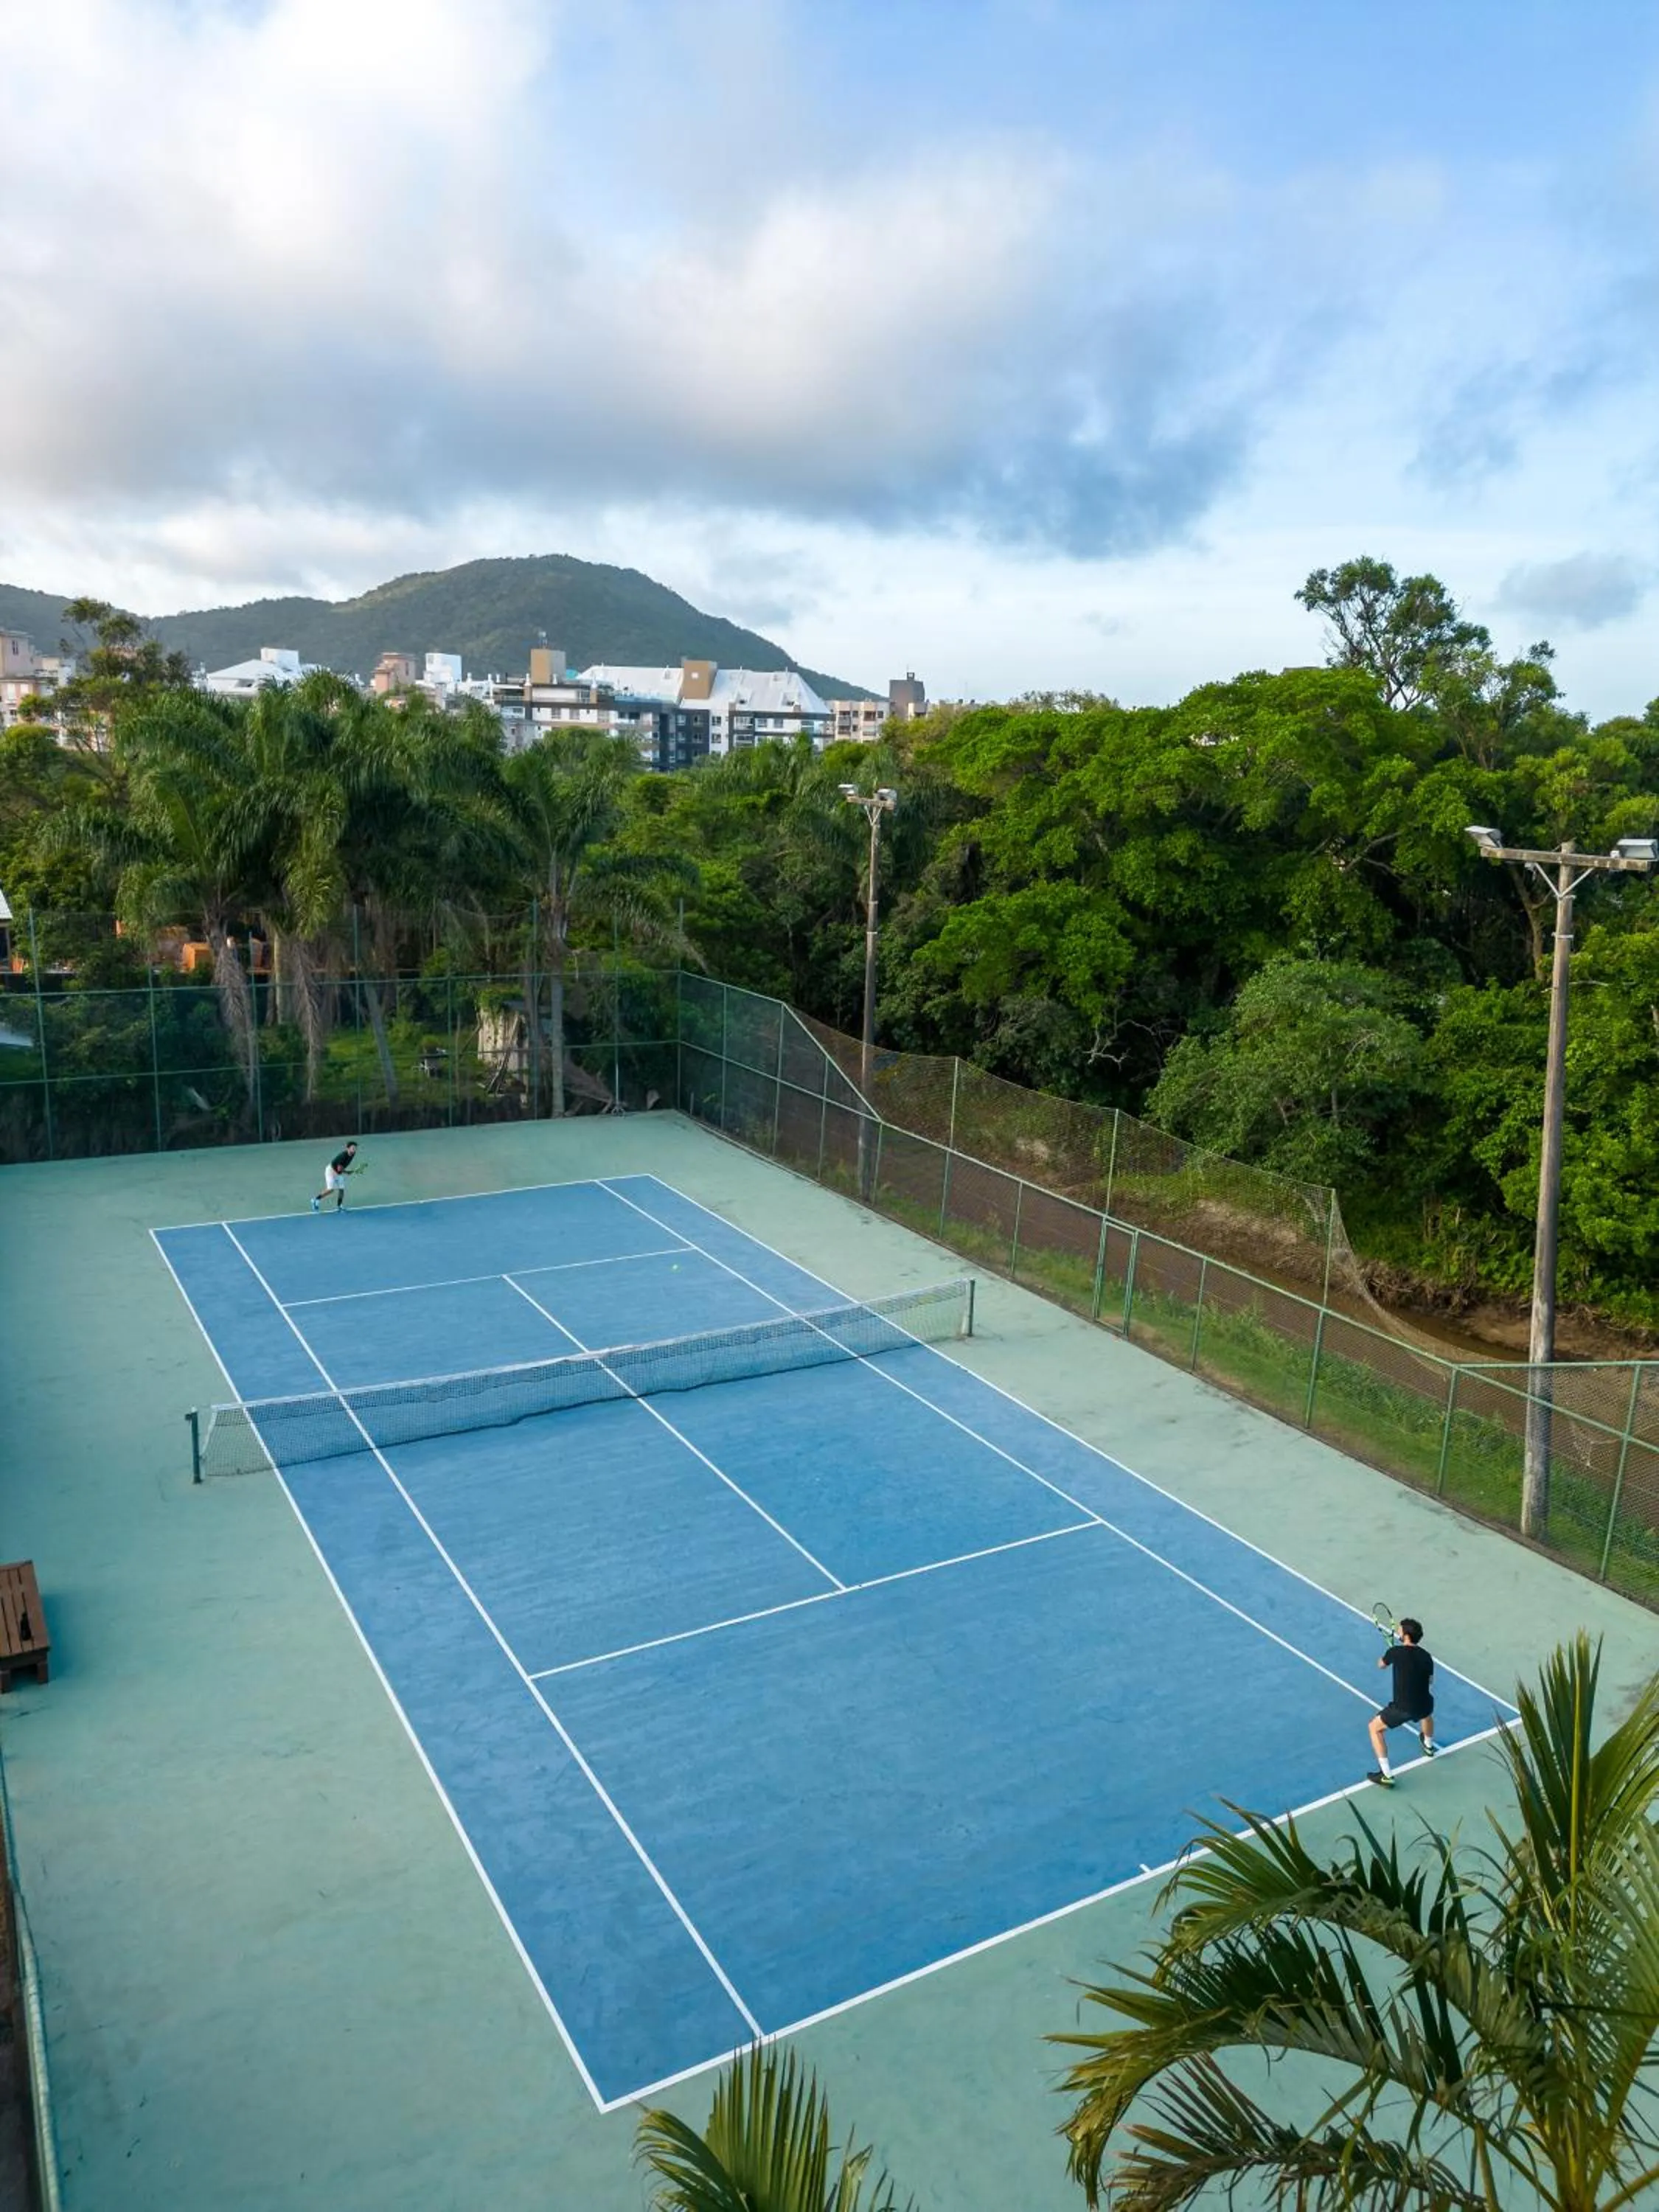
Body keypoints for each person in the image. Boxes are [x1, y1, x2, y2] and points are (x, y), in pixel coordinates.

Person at [1367, 1615, 1436, 1787]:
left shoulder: (1395, 1653)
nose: (1397, 1630)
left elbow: (1381, 1665)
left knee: (1374, 1728)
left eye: (1400, 1629)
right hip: (1425, 1703)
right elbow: (1430, 1681)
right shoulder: (1427, 1656)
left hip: (1403, 1708)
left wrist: (1392, 1655)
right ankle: (1428, 1745)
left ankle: (1386, 1774)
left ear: (1405, 1636)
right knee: (1426, 1714)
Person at [311, 1141, 358, 1213]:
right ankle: (316, 1199)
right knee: (331, 1189)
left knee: (341, 1189)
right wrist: (347, 1172)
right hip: (331, 1171)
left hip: (338, 1173)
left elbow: (341, 1168)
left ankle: (339, 1206)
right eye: (353, 1148)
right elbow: (339, 1168)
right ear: (348, 1148)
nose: (354, 1150)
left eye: (355, 1148)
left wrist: (346, 1171)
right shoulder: (343, 1156)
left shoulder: (353, 1154)